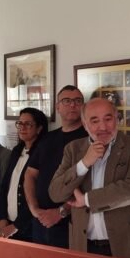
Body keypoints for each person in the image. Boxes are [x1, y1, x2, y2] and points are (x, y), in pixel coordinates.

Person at [49, 98, 130, 258]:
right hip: (84, 245)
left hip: (127, 243)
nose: (103, 127)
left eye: (108, 119)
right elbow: (55, 193)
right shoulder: (73, 149)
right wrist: (85, 163)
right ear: (85, 124)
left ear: (117, 119)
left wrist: (86, 200)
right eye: (94, 121)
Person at [24, 86, 88, 248]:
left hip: (71, 221)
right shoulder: (47, 138)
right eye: (66, 101)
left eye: (77, 101)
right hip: (40, 220)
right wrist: (34, 209)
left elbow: (90, 184)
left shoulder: (89, 139)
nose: (72, 105)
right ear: (57, 107)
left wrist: (61, 212)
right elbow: (30, 174)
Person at [0, 108, 48, 242]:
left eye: (28, 124)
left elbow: (38, 194)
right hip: (8, 224)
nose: (22, 128)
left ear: (39, 128)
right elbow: (5, 186)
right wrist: (2, 218)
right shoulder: (16, 151)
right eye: (20, 123)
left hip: (29, 227)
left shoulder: (43, 153)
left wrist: (17, 226)